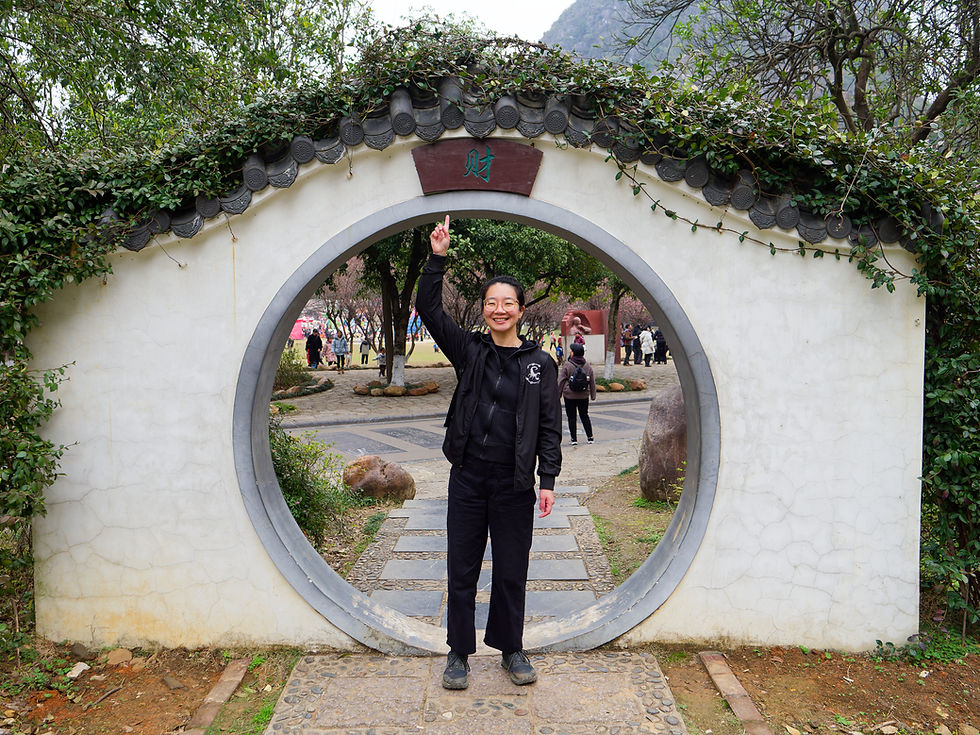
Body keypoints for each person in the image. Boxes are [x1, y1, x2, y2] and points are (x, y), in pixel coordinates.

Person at [417, 215, 561, 692]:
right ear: (483, 310)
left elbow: (548, 427)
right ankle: (458, 653)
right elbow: (429, 309)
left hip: (515, 484)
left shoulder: (541, 364)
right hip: (469, 478)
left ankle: (511, 648)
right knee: (462, 567)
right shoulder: (470, 351)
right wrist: (437, 259)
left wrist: (548, 481)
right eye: (492, 303)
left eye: (508, 303)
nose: (500, 310)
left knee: (511, 570)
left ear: (521, 309)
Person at [558, 342, 596, 445]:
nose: (570, 352)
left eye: (571, 350)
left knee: (571, 417)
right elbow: (592, 381)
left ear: (573, 353)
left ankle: (574, 439)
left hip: (569, 396)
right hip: (584, 395)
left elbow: (561, 380)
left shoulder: (567, 365)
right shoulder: (587, 365)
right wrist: (593, 395)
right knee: (584, 415)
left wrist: (558, 395)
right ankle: (590, 437)